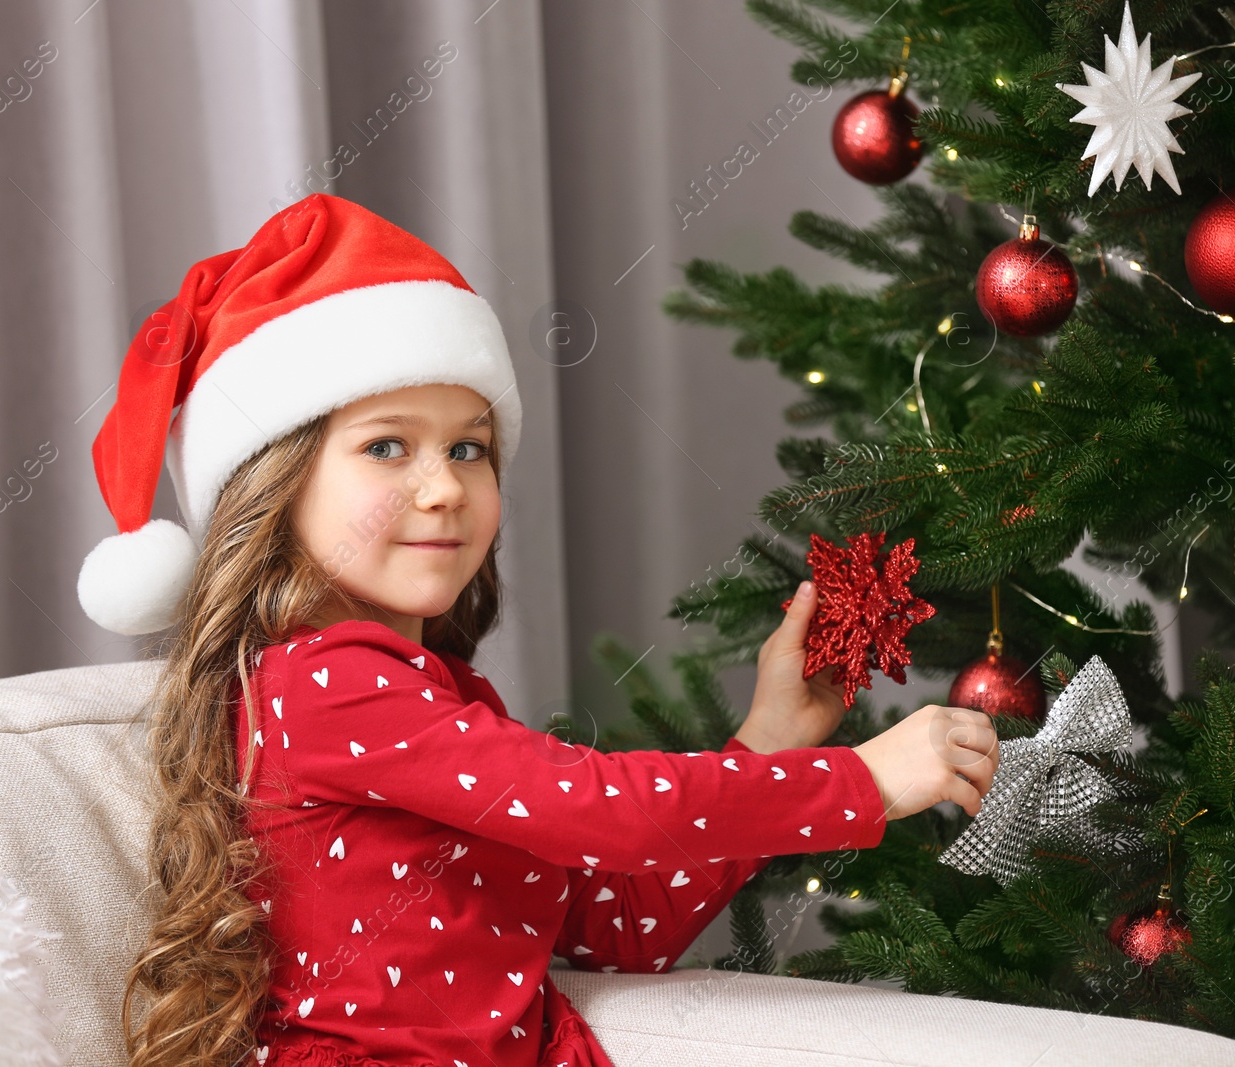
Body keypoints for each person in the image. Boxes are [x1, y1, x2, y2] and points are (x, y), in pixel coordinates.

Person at [77, 192, 999, 1067]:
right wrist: (860, 780)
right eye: (387, 445)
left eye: (468, 447)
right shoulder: (322, 685)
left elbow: (615, 929)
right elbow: (600, 808)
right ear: (272, 485)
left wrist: (771, 736)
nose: (443, 486)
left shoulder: (431, 694)